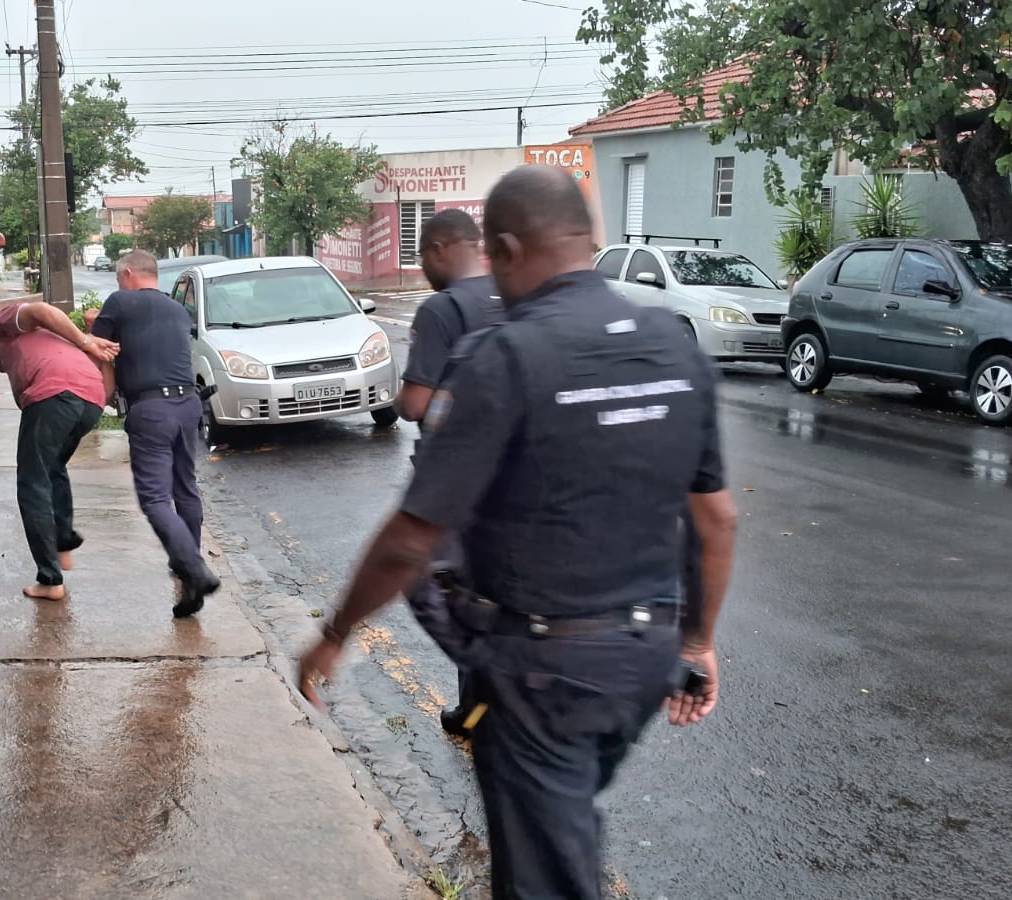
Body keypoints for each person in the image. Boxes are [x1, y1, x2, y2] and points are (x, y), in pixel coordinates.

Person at [299, 165, 739, 899]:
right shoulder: (670, 340)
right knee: (560, 828)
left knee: (547, 872)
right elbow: (717, 518)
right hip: (645, 657)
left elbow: (413, 538)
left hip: (547, 672)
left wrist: (337, 631)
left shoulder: (505, 356)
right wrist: (697, 642)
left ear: (504, 248)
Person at [395, 208, 504, 739]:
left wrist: (403, 398)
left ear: (440, 248)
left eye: (421, 256)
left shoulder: (442, 308)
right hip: (516, 471)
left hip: (459, 478)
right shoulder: (510, 295)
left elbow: (414, 405)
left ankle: (477, 704)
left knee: (446, 584)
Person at [89, 250, 220, 618]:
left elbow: (96, 351)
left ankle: (194, 568)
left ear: (128, 273)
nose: (118, 285)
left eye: (118, 278)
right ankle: (189, 569)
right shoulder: (177, 309)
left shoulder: (118, 301)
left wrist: (93, 326)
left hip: (152, 412)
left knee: (155, 500)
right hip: (188, 406)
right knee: (185, 488)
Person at [0, 299, 119, 601]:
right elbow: (103, 388)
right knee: (53, 467)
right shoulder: (55, 344)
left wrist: (86, 339)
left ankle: (49, 580)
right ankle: (63, 549)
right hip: (91, 400)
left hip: (55, 394)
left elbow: (41, 310)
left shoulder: (4, 323)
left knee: (32, 484)